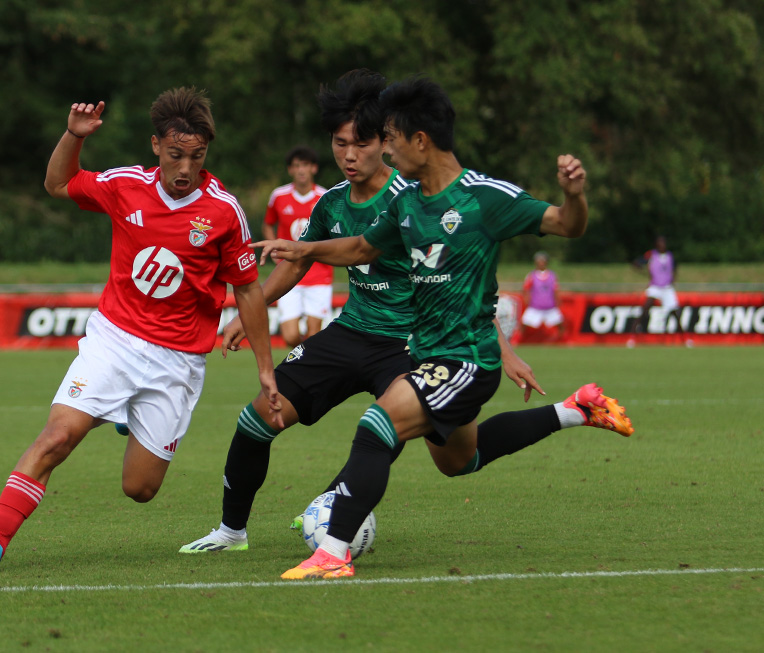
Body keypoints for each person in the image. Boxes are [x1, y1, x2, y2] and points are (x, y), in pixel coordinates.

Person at [179, 70, 630, 556]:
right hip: (351, 331)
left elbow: (460, 283)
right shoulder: (341, 202)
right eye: (338, 143)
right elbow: (324, 255)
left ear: (389, 140)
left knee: (441, 452)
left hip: (411, 345)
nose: (349, 155)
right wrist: (256, 305)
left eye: (366, 142)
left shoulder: (421, 194)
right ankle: (232, 532)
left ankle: (335, 530)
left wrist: (505, 349)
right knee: (258, 420)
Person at [0, 88, 281, 574]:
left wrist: (265, 371)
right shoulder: (125, 185)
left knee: (140, 489)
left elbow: (249, 291)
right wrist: (73, 136)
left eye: (197, 157)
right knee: (57, 437)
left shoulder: (222, 212)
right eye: (176, 155)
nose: (185, 168)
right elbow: (57, 185)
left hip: (178, 360)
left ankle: (129, 414)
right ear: (156, 147)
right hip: (115, 340)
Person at [263, 146, 331, 347]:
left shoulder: (325, 197)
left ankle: (306, 372)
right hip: (287, 270)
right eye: (296, 166)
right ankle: (304, 362)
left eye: (305, 165)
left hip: (318, 272)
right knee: (290, 336)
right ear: (290, 170)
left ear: (314, 168)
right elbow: (268, 223)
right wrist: (273, 247)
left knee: (313, 334)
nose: (301, 170)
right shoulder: (278, 196)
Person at [630, 235, 681, 335]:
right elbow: (637, 262)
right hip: (655, 286)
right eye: (660, 242)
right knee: (645, 309)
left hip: (667, 287)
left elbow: (675, 268)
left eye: (663, 242)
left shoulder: (670, 256)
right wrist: (644, 272)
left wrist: (673, 279)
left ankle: (684, 337)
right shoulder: (651, 255)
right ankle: (632, 333)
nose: (662, 245)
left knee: (674, 312)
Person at [520, 251, 565, 341]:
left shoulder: (552, 275)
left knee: (560, 324)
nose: (541, 263)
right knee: (524, 323)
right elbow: (526, 289)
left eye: (542, 261)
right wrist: (527, 300)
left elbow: (555, 289)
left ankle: (560, 340)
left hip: (550, 306)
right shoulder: (531, 275)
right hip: (535, 306)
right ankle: (519, 340)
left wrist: (558, 300)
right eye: (539, 261)